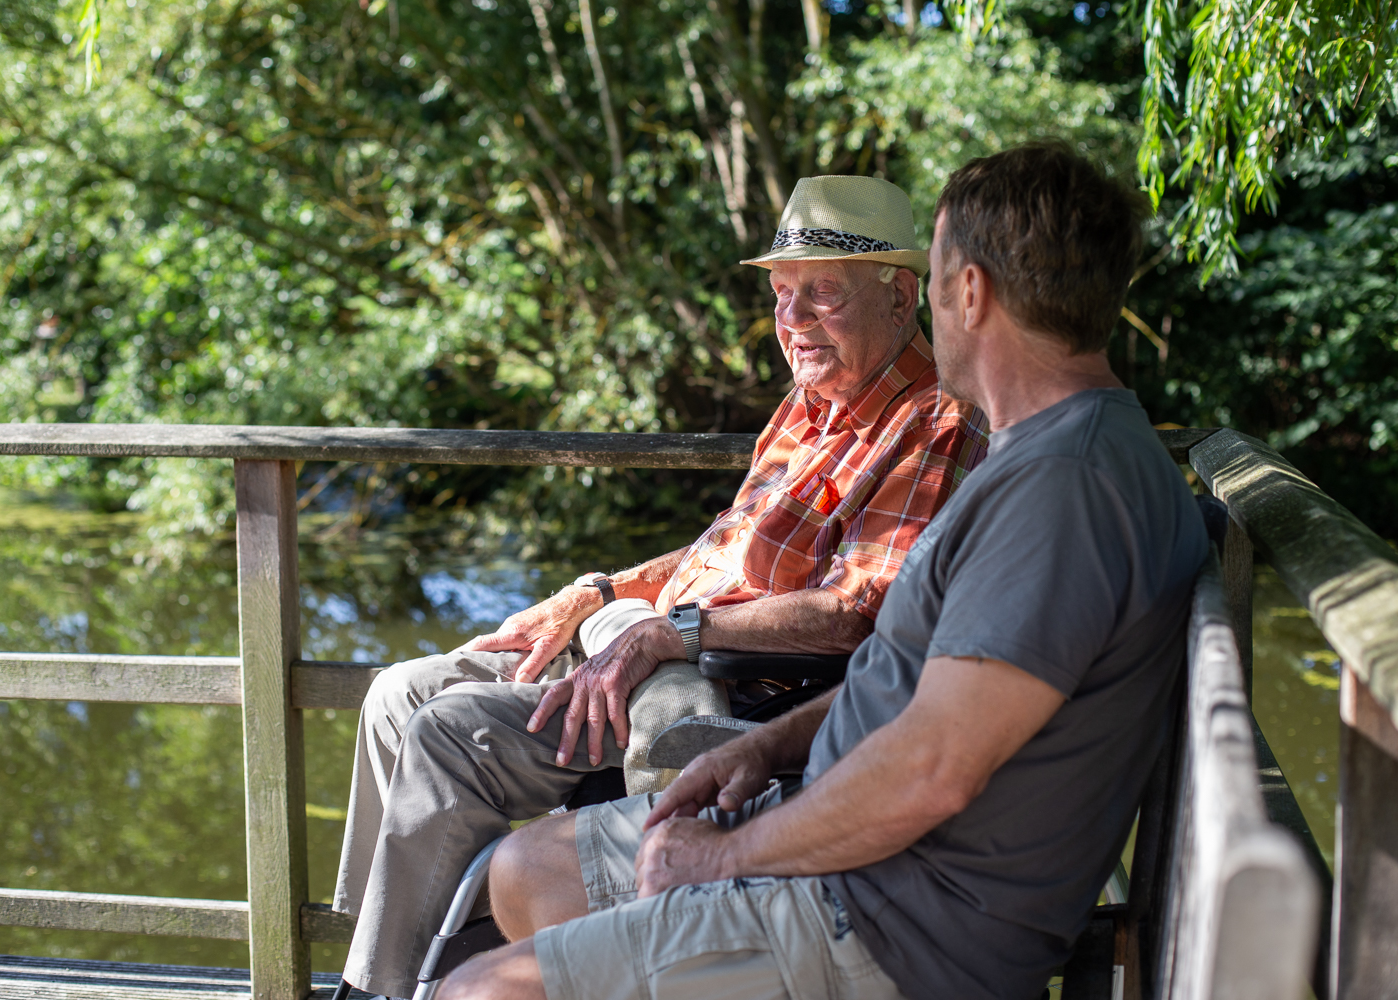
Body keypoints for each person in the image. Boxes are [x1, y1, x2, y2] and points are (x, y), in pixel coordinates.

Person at [446, 142, 1211, 1000]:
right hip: (860, 849)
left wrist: (724, 856)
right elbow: (924, 693)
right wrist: (771, 743)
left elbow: (934, 768)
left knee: (480, 991)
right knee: (525, 870)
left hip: (893, 919)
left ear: (969, 292)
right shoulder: (1062, 454)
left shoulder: (1063, 490)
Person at [332, 175, 988, 999]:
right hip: (652, 639)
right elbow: (723, 548)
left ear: (900, 297)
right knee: (396, 695)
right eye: (783, 294)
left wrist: (671, 632)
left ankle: (381, 989)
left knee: (450, 735)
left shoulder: (932, 419)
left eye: (822, 292)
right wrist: (600, 593)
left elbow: (859, 612)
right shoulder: (809, 402)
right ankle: (406, 950)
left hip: (726, 691)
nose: (793, 318)